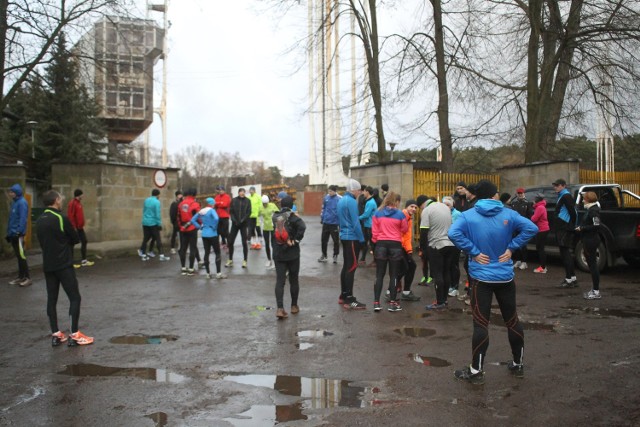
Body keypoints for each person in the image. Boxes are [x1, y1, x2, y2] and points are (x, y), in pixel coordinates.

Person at [448, 180, 537, 384]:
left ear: (477, 195)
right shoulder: (509, 213)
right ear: (494, 195)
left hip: (481, 278)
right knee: (512, 320)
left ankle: (476, 371)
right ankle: (517, 363)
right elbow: (531, 228)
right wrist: (512, 247)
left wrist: (474, 251)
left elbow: (453, 233)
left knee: (481, 323)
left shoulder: (468, 215)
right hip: (505, 276)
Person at [36, 190, 94, 347]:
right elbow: (75, 239)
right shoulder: (61, 218)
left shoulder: (40, 220)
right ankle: (74, 334)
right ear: (55, 200)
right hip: (63, 265)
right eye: (60, 199)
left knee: (52, 299)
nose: (61, 202)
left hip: (48, 265)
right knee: (75, 297)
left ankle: (56, 335)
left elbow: (42, 242)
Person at [371, 192, 408, 312]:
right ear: (396, 201)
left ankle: (376, 303)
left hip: (381, 244)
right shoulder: (400, 214)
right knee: (394, 275)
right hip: (395, 245)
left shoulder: (377, 213)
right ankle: (392, 303)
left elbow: (374, 232)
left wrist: (376, 242)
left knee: (379, 275)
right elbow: (404, 229)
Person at [272, 196, 306, 319]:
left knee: (280, 281)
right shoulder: (294, 217)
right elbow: (303, 227)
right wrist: (296, 240)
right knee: (294, 280)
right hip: (292, 254)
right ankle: (294, 306)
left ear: (281, 205)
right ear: (292, 205)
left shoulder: (275, 217)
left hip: (278, 253)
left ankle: (280, 309)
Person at [422, 198, 457, 310]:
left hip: (436, 244)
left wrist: (423, 249)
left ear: (422, 204)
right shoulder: (446, 208)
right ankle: (445, 300)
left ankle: (439, 302)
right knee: (446, 271)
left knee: (437, 273)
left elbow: (423, 230)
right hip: (450, 244)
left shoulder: (427, 210)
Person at [338, 179, 366, 309]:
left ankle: (343, 295)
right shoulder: (351, 202)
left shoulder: (341, 200)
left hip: (344, 235)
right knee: (352, 266)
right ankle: (349, 298)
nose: (359, 193)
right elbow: (355, 222)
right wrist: (362, 239)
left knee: (346, 266)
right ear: (353, 190)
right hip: (352, 237)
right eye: (359, 190)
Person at [191, 198, 226, 280]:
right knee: (217, 253)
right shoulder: (211, 210)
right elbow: (216, 218)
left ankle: (208, 274)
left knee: (206, 252)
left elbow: (192, 220)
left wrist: (199, 227)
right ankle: (218, 273)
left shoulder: (201, 211)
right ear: (212, 204)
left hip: (204, 234)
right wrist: (214, 226)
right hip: (213, 234)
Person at [577, 191, 602, 299]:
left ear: (588, 199)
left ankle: (596, 291)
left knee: (593, 266)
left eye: (584, 199)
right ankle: (594, 289)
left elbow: (596, 226)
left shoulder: (593, 211)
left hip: (591, 240)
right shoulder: (591, 209)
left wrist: (582, 228)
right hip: (589, 239)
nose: (582, 200)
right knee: (592, 266)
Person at [394, 199, 421, 302]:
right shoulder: (403, 216)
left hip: (403, 247)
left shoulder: (408, 217)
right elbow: (400, 234)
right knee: (404, 269)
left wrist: (409, 251)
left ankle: (405, 292)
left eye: (415, 207)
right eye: (412, 206)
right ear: (406, 207)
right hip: (399, 247)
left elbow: (407, 236)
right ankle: (391, 291)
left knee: (410, 267)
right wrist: (404, 249)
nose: (414, 209)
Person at [553, 179, 578, 287]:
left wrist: (571, 225)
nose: (555, 187)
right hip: (562, 227)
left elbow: (573, 212)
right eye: (555, 185)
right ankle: (572, 278)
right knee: (564, 252)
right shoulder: (562, 196)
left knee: (565, 253)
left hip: (564, 227)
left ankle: (569, 279)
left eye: (557, 185)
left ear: (563, 186)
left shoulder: (566, 196)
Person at [6, 184, 31, 287]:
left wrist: (18, 232)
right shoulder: (15, 203)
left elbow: (22, 219)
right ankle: (21, 277)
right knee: (19, 256)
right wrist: (9, 233)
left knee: (22, 256)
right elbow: (12, 219)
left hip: (18, 235)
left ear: (16, 192)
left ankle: (28, 278)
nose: (10, 193)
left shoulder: (22, 203)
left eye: (11, 192)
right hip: (13, 234)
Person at [138, 189, 170, 262]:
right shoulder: (157, 202)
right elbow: (157, 214)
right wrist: (159, 224)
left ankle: (143, 254)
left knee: (145, 238)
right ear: (158, 194)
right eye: (159, 195)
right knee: (158, 239)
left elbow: (144, 211)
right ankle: (161, 255)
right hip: (153, 223)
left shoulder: (146, 200)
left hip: (145, 222)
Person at [67, 189, 94, 268]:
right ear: (79, 195)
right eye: (82, 194)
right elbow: (71, 216)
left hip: (80, 227)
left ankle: (84, 261)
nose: (83, 196)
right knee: (72, 244)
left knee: (84, 241)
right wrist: (73, 227)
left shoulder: (78, 203)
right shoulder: (72, 203)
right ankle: (70, 262)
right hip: (75, 227)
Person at [226, 188, 252, 268]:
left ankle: (245, 260)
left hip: (243, 224)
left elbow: (249, 212)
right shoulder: (234, 200)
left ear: (245, 193)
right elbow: (231, 211)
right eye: (240, 192)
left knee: (244, 242)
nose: (242, 193)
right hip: (235, 224)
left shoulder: (247, 201)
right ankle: (230, 260)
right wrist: (234, 220)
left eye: (243, 192)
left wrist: (242, 220)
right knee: (230, 241)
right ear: (238, 193)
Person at [443, 196, 462, 297]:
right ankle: (450, 285)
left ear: (452, 205)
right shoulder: (442, 214)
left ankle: (455, 287)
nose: (446, 207)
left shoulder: (457, 214)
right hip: (445, 243)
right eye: (444, 205)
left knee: (454, 265)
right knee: (447, 265)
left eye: (448, 205)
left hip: (454, 244)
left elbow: (458, 229)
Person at [178, 188, 201, 275]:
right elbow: (199, 216)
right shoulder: (195, 204)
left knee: (183, 248)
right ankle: (191, 268)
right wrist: (199, 225)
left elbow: (178, 217)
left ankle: (183, 267)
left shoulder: (181, 204)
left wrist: (181, 226)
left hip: (183, 228)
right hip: (192, 227)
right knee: (192, 248)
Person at [511, 187, 534, 270]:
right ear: (517, 194)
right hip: (515, 226)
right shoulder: (513, 203)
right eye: (518, 193)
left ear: (524, 194)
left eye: (521, 193)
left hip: (523, 227)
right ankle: (518, 260)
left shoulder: (528, 203)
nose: (520, 194)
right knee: (516, 243)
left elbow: (529, 216)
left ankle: (524, 262)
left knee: (523, 245)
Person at [318, 185, 341, 263]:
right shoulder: (326, 198)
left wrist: (340, 222)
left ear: (335, 191)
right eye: (329, 191)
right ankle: (324, 255)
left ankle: (335, 255)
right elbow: (323, 208)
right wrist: (322, 217)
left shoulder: (339, 199)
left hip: (334, 223)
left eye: (331, 191)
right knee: (324, 240)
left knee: (335, 241)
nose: (329, 192)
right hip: (326, 222)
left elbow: (341, 211)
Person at [417, 195, 434, 287]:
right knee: (424, 260)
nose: (421, 209)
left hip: (431, 239)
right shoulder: (424, 213)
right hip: (425, 240)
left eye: (420, 206)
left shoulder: (428, 211)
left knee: (431, 260)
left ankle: (431, 276)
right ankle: (425, 276)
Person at [531, 193, 550, 274]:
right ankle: (543, 266)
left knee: (540, 248)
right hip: (543, 229)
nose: (533, 201)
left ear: (537, 200)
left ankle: (542, 267)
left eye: (534, 199)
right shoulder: (541, 207)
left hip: (542, 230)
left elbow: (534, 219)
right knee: (540, 248)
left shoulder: (539, 208)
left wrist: (532, 216)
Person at [259, 194, 279, 269]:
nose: (265, 204)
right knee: (267, 244)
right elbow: (259, 216)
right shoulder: (260, 208)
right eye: (263, 203)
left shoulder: (272, 205)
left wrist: (276, 222)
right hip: (265, 228)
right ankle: (269, 259)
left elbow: (278, 213)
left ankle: (274, 261)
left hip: (272, 227)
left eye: (266, 203)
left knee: (273, 244)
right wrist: (261, 223)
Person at [358, 186, 376, 264]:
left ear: (367, 192)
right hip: (367, 225)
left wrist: (357, 218)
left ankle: (375, 260)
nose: (363, 193)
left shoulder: (370, 202)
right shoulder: (368, 201)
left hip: (370, 226)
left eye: (364, 191)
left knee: (372, 244)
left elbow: (366, 215)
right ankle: (363, 259)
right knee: (364, 242)